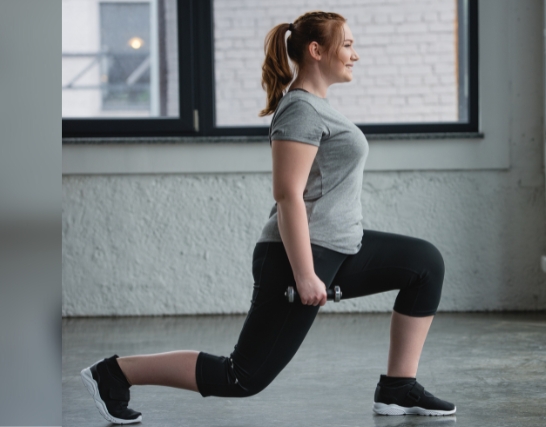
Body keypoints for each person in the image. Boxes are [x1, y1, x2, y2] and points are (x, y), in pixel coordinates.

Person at [80, 11, 456, 424]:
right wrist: (306, 273)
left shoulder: (316, 107)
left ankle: (398, 388)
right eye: (347, 45)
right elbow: (287, 195)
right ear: (316, 50)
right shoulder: (299, 110)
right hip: (299, 254)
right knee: (241, 376)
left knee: (424, 264)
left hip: (340, 246)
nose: (355, 55)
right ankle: (114, 373)